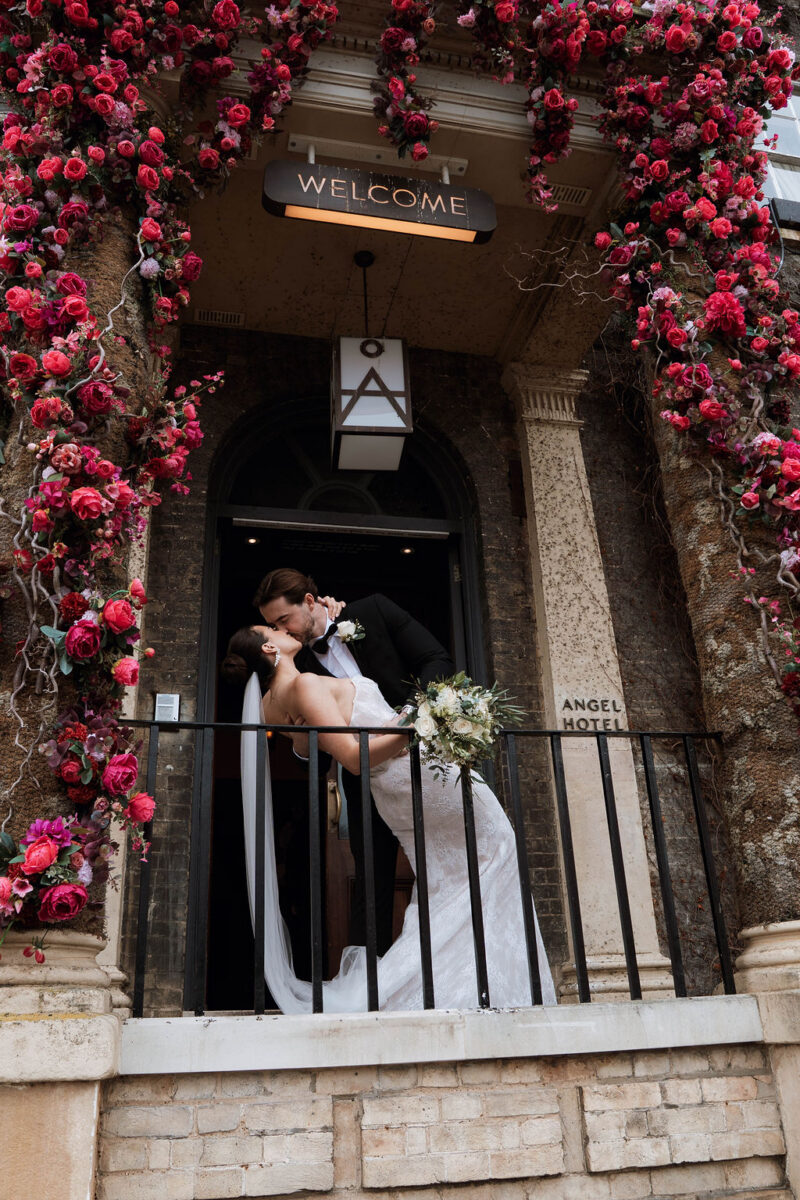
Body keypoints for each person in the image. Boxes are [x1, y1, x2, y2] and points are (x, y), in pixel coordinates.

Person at [221, 625, 556, 1012]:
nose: (283, 629)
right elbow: (352, 757)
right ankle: (475, 985)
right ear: (268, 646)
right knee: (494, 852)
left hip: (398, 789)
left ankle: (467, 984)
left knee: (449, 881)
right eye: (274, 629)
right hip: (414, 774)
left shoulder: (269, 705)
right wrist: (418, 723)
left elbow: (308, 746)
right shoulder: (306, 685)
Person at [253, 568, 455, 955]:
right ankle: (368, 985)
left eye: (284, 620)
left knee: (450, 862)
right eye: (273, 625)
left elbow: (435, 658)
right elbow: (304, 761)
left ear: (310, 603)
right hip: (365, 780)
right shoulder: (295, 670)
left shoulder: (372, 611)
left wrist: (414, 715)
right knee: (372, 881)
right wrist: (301, 740)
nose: (283, 631)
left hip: (429, 761)